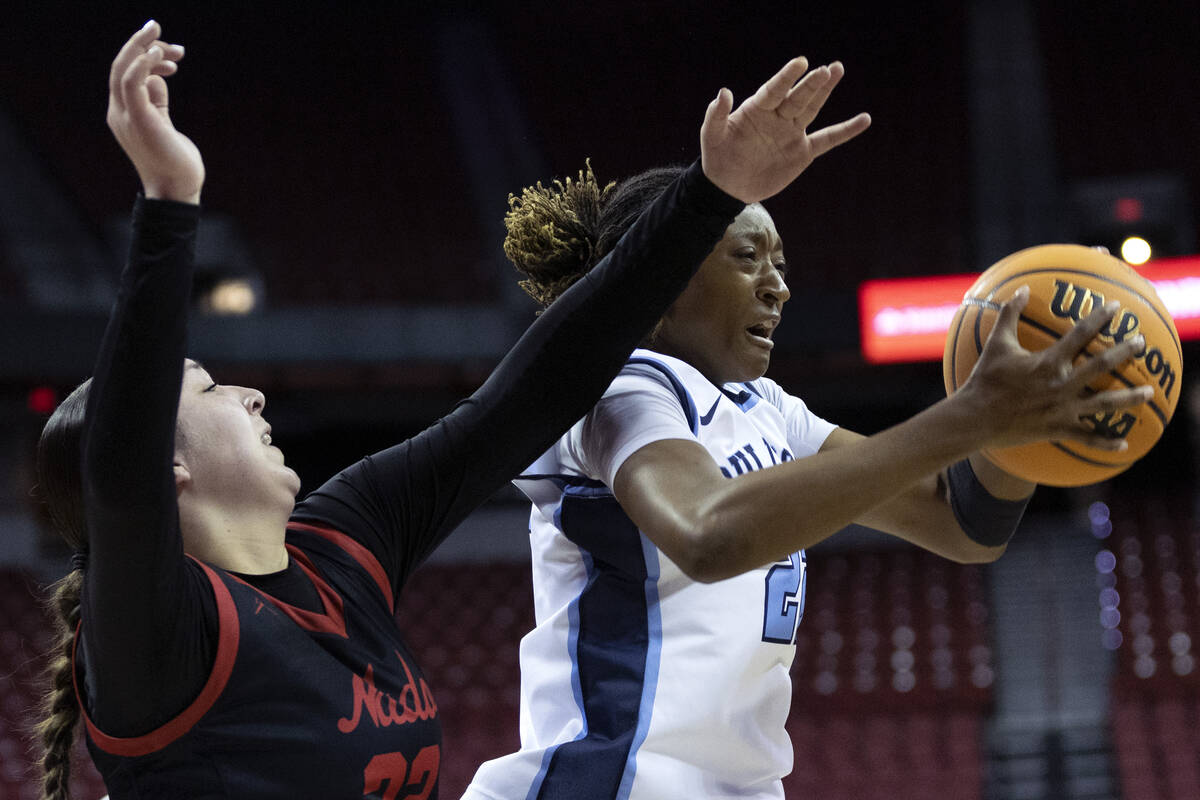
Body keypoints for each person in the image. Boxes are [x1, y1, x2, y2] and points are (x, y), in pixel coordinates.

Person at [32, 19, 871, 800]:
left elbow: (527, 398)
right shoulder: (154, 638)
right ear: (166, 466)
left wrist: (708, 196)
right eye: (212, 389)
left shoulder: (343, 542)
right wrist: (169, 203)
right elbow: (121, 472)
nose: (249, 392)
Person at [461, 120, 1154, 800]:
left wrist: (1025, 428)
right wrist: (971, 415)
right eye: (747, 257)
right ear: (663, 280)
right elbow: (709, 534)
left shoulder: (770, 409)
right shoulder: (618, 389)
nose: (778, 286)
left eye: (781, 264)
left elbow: (964, 522)